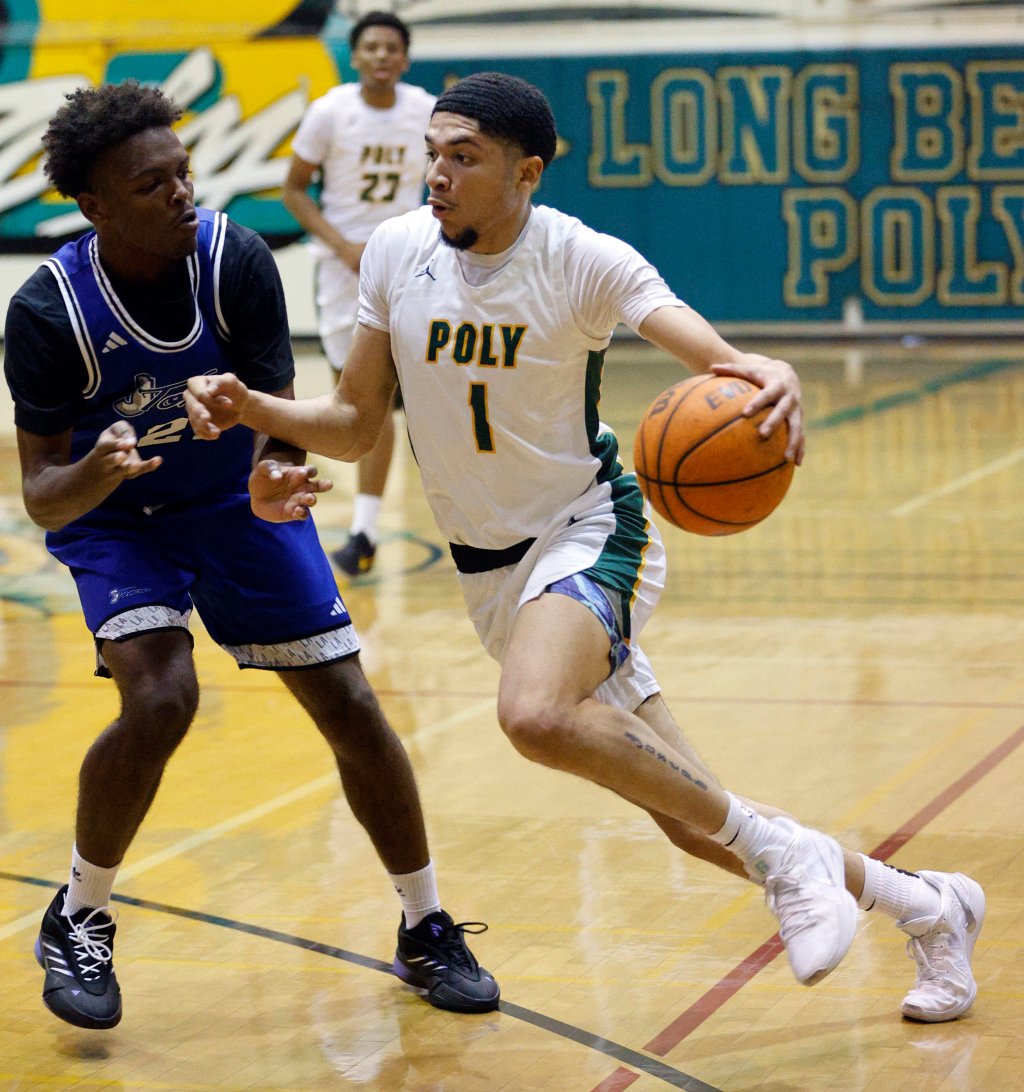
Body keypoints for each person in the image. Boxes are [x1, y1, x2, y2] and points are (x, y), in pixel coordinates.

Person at [187, 72, 985, 1022]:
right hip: (491, 574)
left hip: (590, 530)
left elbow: (718, 359)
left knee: (531, 713)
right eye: (432, 154)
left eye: (463, 157)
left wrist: (760, 367)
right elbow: (359, 423)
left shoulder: (586, 260)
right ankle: (933, 906)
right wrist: (255, 411)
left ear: (526, 172)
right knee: (695, 821)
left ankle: (787, 860)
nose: (436, 174)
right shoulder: (396, 253)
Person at [3, 81, 499, 1031]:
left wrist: (277, 470)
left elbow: (279, 409)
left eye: (183, 174)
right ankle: (79, 914)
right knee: (161, 696)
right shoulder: (47, 310)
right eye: (150, 187)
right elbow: (39, 494)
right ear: (95, 205)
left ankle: (425, 923)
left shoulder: (235, 260)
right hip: (118, 519)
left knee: (351, 703)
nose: (180, 194)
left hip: (233, 501)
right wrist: (97, 472)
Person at [282, 10, 436, 577]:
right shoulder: (330, 112)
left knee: (401, 401)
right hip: (346, 274)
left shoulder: (424, 110)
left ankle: (365, 529)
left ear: (404, 57)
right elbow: (294, 191)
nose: (380, 56)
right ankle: (363, 529)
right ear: (355, 56)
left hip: (410, 264)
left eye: (391, 47)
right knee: (363, 403)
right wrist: (342, 244)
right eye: (370, 47)